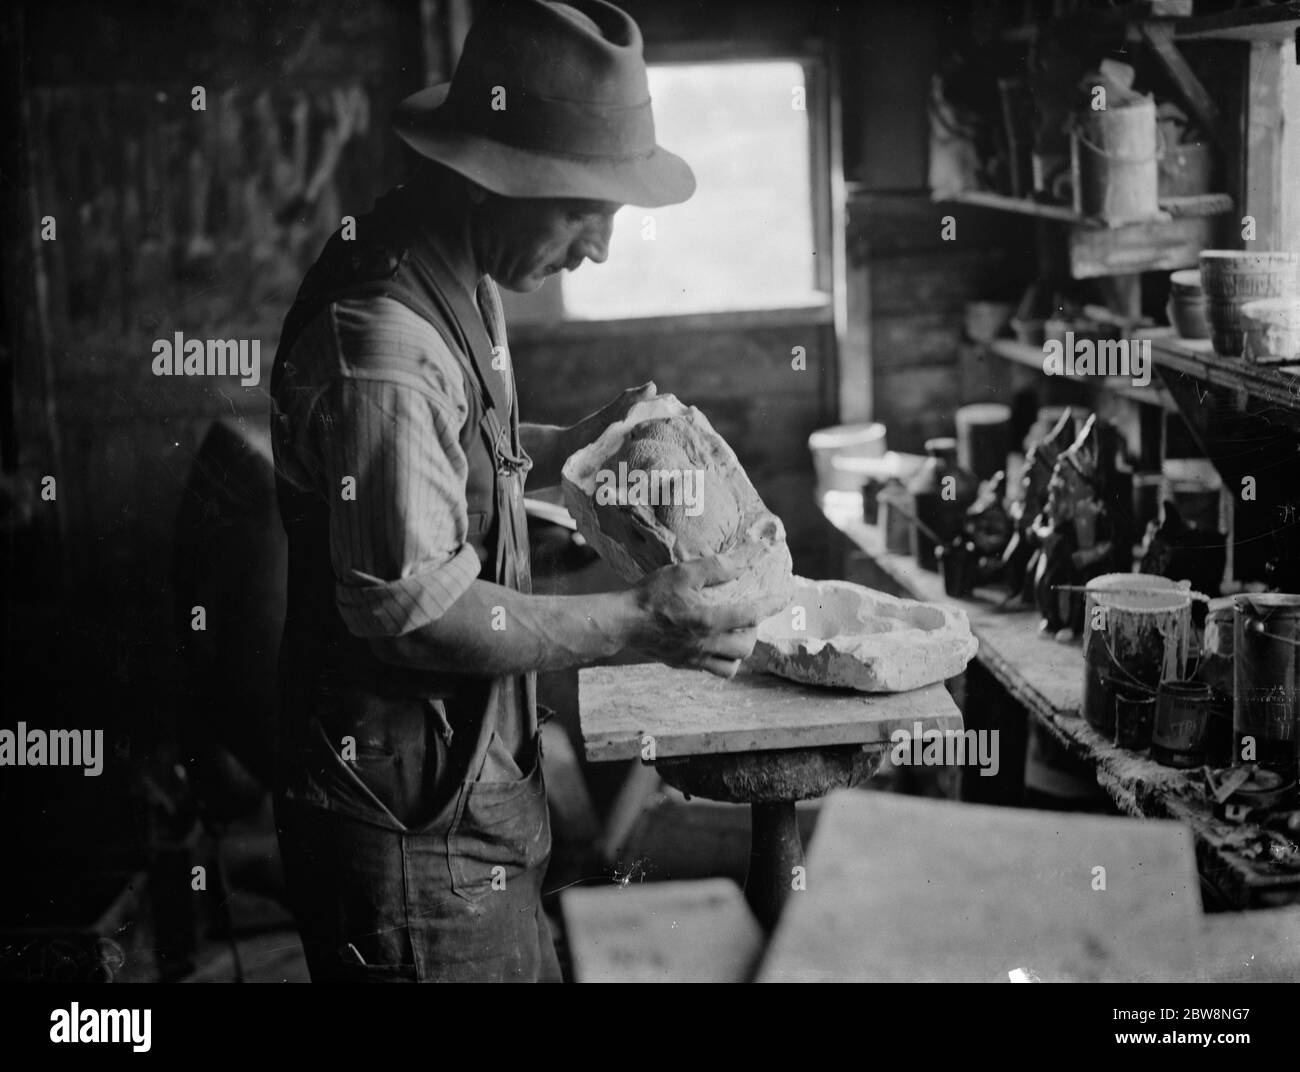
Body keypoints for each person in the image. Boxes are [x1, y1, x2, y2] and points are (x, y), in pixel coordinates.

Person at [268, 0, 774, 982]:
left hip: (467, 781)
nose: (599, 249)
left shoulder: (457, 257)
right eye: (585, 210)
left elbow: (466, 448)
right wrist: (642, 618)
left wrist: (574, 445)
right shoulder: (385, 342)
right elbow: (420, 615)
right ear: (495, 178)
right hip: (409, 829)